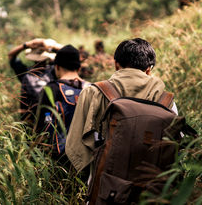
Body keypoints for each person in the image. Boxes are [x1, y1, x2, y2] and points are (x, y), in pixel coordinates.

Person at [65, 38, 178, 173]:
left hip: (103, 181)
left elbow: (74, 145)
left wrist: (91, 174)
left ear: (116, 64)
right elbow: (174, 145)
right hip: (151, 182)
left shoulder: (92, 93)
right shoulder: (165, 100)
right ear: (149, 69)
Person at [36, 45, 90, 161]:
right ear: (79, 68)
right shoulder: (92, 88)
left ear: (57, 67)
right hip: (89, 156)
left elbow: (42, 126)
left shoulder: (51, 88)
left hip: (59, 157)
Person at [8, 38, 63, 127]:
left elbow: (70, 55)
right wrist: (27, 45)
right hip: (30, 118)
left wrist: (51, 46)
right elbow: (11, 56)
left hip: (51, 115)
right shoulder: (25, 72)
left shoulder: (54, 70)